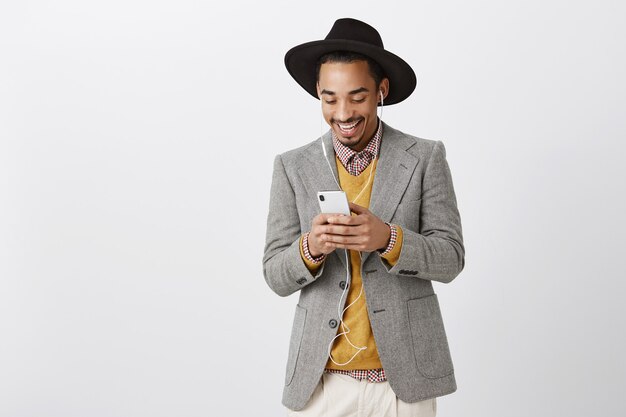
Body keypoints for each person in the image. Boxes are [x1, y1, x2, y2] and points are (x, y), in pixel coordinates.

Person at [263, 18, 465, 417]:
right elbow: (274, 273)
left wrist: (388, 239)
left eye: (357, 97)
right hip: (320, 382)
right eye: (329, 98)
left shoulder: (424, 157)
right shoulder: (292, 166)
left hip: (404, 382)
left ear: (381, 91)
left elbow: (451, 258)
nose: (342, 113)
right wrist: (310, 247)